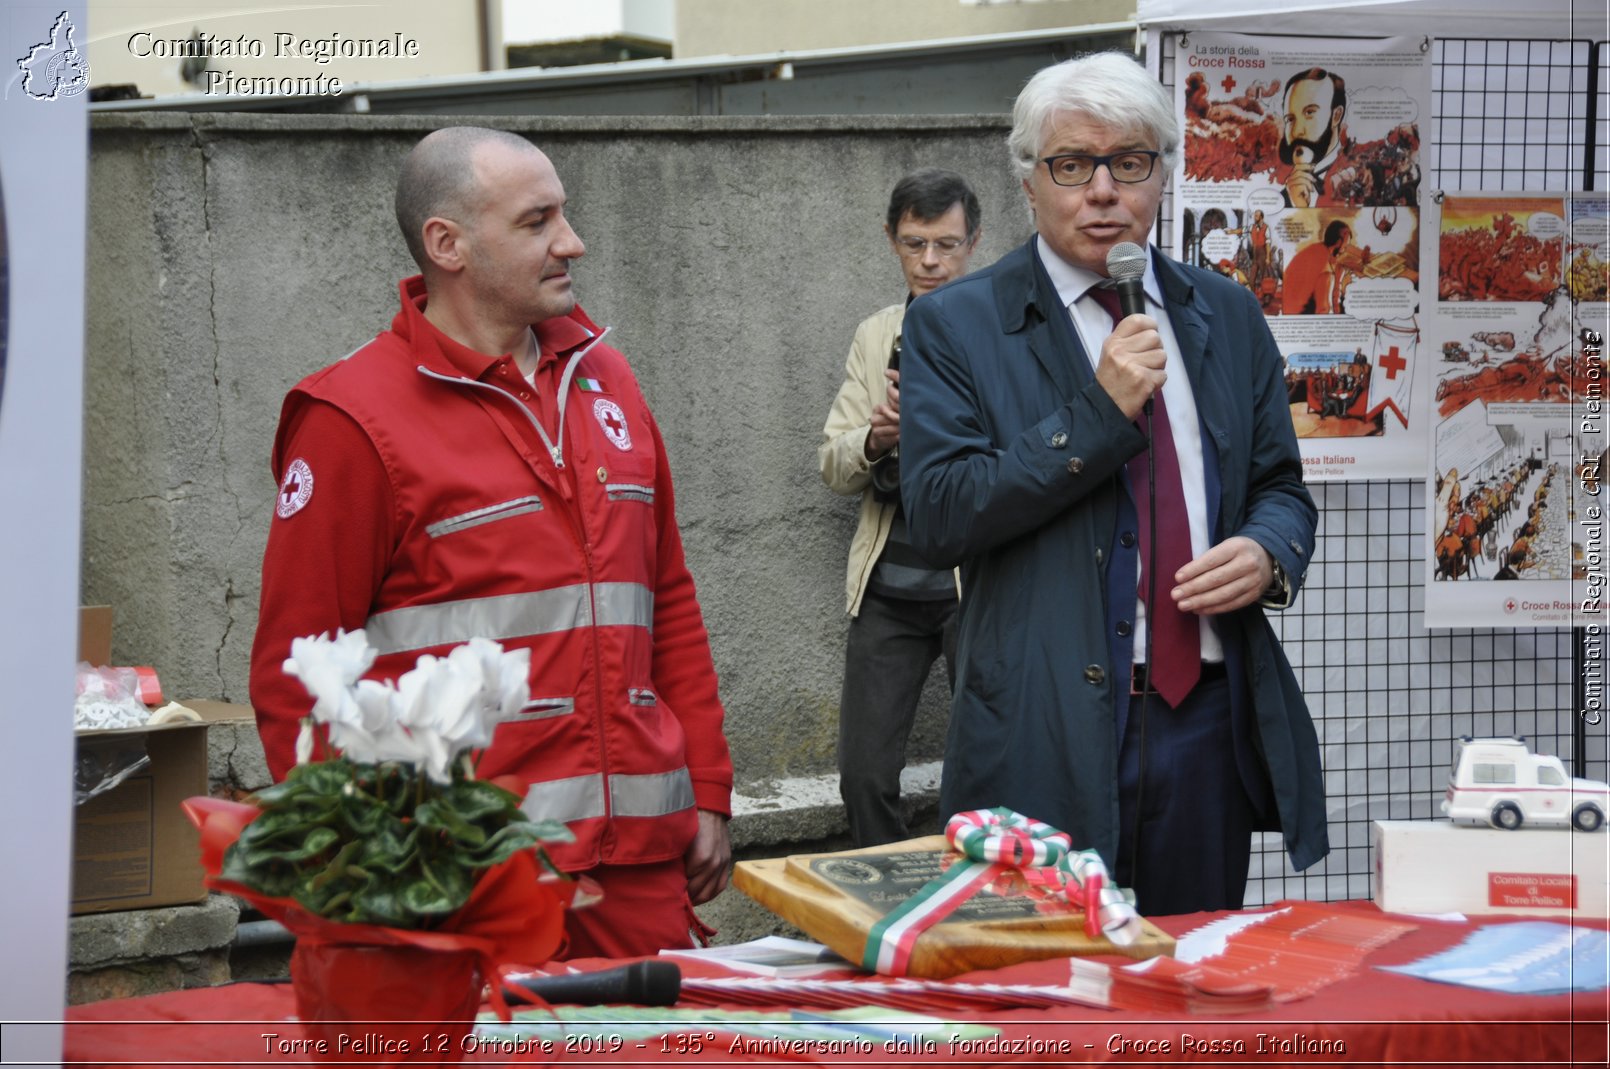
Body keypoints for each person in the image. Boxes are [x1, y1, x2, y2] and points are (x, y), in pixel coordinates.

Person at [249, 126, 733, 958]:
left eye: (564, 215)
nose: (571, 242)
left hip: (640, 875)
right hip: (463, 883)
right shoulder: (351, 420)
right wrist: (374, 869)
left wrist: (710, 790)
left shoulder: (605, 377)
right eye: (537, 221)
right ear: (449, 244)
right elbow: (299, 674)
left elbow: (666, 596)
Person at [898, 52, 1327, 916]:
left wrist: (1267, 550)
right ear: (1028, 181)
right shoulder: (954, 323)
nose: (1103, 191)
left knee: (1187, 990)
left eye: (1129, 162)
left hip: (1204, 720)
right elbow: (941, 513)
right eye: (1072, 165)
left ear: (1162, 173)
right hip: (1040, 726)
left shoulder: (1226, 313)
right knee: (1042, 1004)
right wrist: (1098, 410)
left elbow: (1281, 484)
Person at [818, 169, 981, 847]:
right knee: (862, 775)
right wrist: (878, 436)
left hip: (976, 583)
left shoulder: (1003, 327)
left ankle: (969, 903)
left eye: (946, 244)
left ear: (972, 242)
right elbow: (832, 461)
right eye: (915, 244)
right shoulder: (877, 332)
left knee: (982, 771)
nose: (931, 262)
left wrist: (943, 426)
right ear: (892, 241)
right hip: (887, 586)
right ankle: (889, 916)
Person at [1279, 68, 1347, 208]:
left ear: (1336, 116)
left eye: (1309, 113)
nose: (1297, 131)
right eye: (1290, 119)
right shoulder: (1283, 200)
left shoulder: (1361, 174)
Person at [1281, 220, 1353, 316]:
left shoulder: (1316, 249)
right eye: (1345, 246)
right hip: (1298, 314)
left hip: (1287, 306)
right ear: (1338, 243)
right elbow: (1324, 310)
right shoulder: (1325, 271)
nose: (1345, 250)